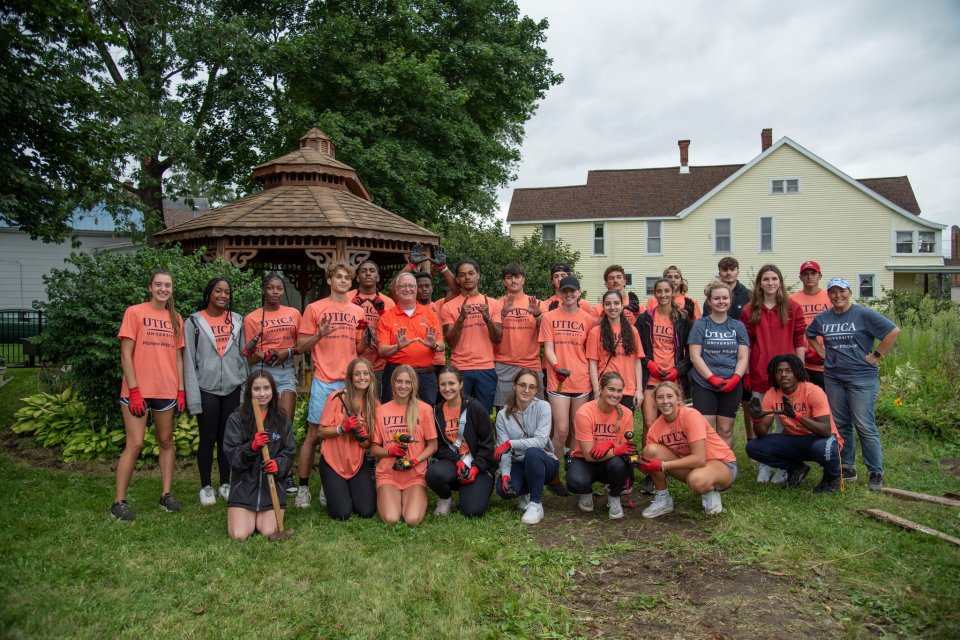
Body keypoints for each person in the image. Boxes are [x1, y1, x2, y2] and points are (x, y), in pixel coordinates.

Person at [806, 277, 899, 491]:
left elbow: (892, 331)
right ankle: (847, 466)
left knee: (864, 425)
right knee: (840, 425)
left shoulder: (863, 314)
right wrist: (822, 352)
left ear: (849, 292)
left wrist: (876, 354)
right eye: (833, 292)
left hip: (861, 377)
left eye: (842, 291)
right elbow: (810, 334)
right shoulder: (823, 318)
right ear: (828, 295)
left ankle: (875, 471)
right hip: (834, 377)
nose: (838, 296)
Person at [111, 270, 185, 521]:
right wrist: (133, 390)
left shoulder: (175, 318)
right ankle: (118, 501)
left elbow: (177, 356)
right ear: (150, 287)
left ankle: (166, 494)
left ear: (172, 289)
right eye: (159, 285)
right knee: (135, 443)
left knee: (166, 441)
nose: (163, 289)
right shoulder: (135, 312)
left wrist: (181, 389)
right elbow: (125, 354)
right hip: (138, 390)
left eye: (168, 285)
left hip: (166, 389)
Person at [295, 262, 365, 509]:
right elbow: (301, 346)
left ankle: (330, 483)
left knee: (344, 434)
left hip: (349, 384)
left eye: (348, 277)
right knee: (314, 436)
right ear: (329, 280)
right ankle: (303, 488)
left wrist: (367, 335)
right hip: (324, 380)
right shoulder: (315, 308)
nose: (344, 281)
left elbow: (360, 349)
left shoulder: (358, 312)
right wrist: (319, 335)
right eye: (339, 276)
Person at [184, 278, 248, 506]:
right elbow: (189, 362)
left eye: (227, 292)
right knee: (208, 438)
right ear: (209, 293)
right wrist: (192, 397)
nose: (222, 295)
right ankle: (205, 486)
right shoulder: (193, 322)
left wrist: (244, 389)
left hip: (232, 386)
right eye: (218, 291)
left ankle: (225, 483)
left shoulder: (238, 321)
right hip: (206, 388)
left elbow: (244, 356)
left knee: (227, 439)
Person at [740, 264, 806, 484]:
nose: (770, 283)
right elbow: (746, 344)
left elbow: (799, 340)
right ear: (759, 283)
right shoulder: (749, 310)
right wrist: (747, 372)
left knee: (785, 422)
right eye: (766, 279)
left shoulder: (793, 308)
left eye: (774, 279)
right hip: (760, 373)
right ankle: (764, 465)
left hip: (786, 375)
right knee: (762, 421)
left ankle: (783, 467)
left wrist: (800, 370)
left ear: (780, 282)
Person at [746, 355, 844, 493]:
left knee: (824, 449)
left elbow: (826, 431)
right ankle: (796, 469)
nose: (783, 375)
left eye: (788, 370)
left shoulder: (813, 391)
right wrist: (756, 419)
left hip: (822, 439)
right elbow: (762, 433)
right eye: (779, 371)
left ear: (797, 372)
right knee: (753, 447)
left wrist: (796, 416)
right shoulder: (772, 394)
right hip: (796, 440)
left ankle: (832, 479)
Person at [639, 381, 738, 517]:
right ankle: (663, 499)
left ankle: (709, 491)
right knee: (649, 451)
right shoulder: (655, 429)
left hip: (721, 463)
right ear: (655, 401)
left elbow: (699, 459)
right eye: (660, 397)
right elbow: (651, 459)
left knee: (696, 480)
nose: (665, 401)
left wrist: (663, 465)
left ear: (678, 398)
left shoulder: (691, 415)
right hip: (691, 465)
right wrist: (643, 465)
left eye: (669, 396)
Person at [243, 273, 302, 495]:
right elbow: (249, 355)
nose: (275, 292)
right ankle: (260, 468)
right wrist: (262, 354)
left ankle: (285, 473)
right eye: (271, 288)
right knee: (261, 424)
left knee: (284, 422)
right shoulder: (252, 318)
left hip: (285, 371)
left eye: (279, 288)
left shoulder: (294, 314)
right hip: (262, 371)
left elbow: (301, 344)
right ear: (264, 290)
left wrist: (286, 351)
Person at [222, 370, 296, 539]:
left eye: (266, 388)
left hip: (271, 489)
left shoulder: (282, 419)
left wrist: (278, 464)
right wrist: (251, 446)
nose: (262, 394)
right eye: (257, 389)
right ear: (249, 391)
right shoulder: (236, 419)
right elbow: (233, 458)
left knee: (268, 531)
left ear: (273, 390)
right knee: (239, 534)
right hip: (244, 487)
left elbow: (289, 451)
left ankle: (262, 517)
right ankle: (246, 516)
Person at [369, 365, 438, 526]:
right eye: (399, 381)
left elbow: (433, 446)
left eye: (408, 382)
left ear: (414, 385)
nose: (403, 386)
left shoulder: (425, 409)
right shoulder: (381, 411)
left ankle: (413, 496)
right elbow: (373, 449)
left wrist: (415, 461)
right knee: (391, 519)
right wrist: (389, 452)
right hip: (388, 474)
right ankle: (392, 496)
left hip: (415, 474)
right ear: (392, 383)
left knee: (412, 519)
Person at [566, 372, 636, 519]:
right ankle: (586, 492)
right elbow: (588, 455)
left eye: (619, 391)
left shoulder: (627, 414)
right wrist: (614, 447)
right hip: (585, 460)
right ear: (601, 389)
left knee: (621, 465)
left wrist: (632, 457)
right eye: (611, 389)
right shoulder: (585, 412)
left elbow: (627, 449)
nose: (615, 394)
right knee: (575, 482)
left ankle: (614, 496)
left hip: (611, 461)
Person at [539, 276, 595, 463]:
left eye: (573, 291)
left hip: (581, 379)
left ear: (579, 293)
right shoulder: (549, 317)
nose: (569, 294)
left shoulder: (588, 319)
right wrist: (556, 367)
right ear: (560, 294)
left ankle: (573, 463)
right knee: (561, 429)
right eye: (565, 291)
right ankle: (553, 469)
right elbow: (548, 348)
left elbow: (591, 351)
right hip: (559, 380)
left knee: (576, 426)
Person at [426, 366, 495, 517]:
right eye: (443, 384)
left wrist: (476, 467)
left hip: (479, 465)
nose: (447, 388)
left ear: (461, 384)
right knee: (434, 473)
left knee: (472, 511)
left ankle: (475, 488)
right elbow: (440, 448)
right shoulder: (436, 412)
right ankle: (446, 498)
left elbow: (488, 444)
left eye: (452, 383)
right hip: (454, 463)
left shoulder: (474, 407)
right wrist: (457, 461)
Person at [688, 280, 749, 447]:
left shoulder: (738, 326)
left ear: (730, 300)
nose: (721, 301)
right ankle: (706, 465)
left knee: (725, 429)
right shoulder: (701, 324)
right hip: (705, 383)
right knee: (705, 428)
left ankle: (725, 466)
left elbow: (743, 357)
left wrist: (736, 378)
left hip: (731, 384)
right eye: (717, 298)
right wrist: (712, 378)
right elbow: (695, 356)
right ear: (709, 301)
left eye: (725, 298)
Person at [316, 358, 378, 520]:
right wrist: (342, 428)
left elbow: (367, 443)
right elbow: (321, 432)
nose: (362, 377)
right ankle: (330, 488)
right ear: (350, 377)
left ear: (371, 376)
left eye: (365, 373)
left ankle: (344, 489)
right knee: (342, 513)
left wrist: (360, 435)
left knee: (366, 511)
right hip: (332, 460)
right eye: (357, 374)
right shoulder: (337, 397)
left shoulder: (375, 405)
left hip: (356, 462)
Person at [494, 369, 558, 525]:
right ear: (514, 386)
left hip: (544, 461)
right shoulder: (503, 415)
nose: (526, 390)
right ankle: (527, 492)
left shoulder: (543, 407)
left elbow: (540, 442)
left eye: (532, 387)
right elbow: (504, 451)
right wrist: (505, 474)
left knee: (532, 452)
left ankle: (535, 504)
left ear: (536, 390)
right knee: (503, 490)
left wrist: (511, 443)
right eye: (522, 385)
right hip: (518, 463)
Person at [440, 258, 503, 412]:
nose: (467, 277)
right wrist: (461, 318)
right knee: (459, 414)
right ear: (457, 279)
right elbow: (450, 342)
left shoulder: (493, 303)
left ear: (478, 276)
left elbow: (498, 338)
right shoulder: (448, 307)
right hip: (460, 368)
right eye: (462, 275)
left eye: (471, 273)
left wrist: (487, 318)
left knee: (484, 414)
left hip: (486, 367)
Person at [377, 272, 444, 404]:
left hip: (425, 376)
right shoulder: (387, 317)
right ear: (396, 290)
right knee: (394, 415)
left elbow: (441, 345)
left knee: (427, 415)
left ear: (416, 289)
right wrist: (397, 347)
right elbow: (381, 351)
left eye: (411, 286)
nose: (407, 289)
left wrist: (433, 345)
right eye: (403, 286)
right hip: (396, 375)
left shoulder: (429, 314)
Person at [637, 278, 692, 431]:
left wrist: (677, 370)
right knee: (650, 424)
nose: (663, 295)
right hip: (651, 377)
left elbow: (691, 353)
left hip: (673, 378)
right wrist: (648, 363)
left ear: (673, 292)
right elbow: (636, 347)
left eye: (666, 291)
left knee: (674, 424)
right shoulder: (644, 318)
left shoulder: (682, 319)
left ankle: (671, 454)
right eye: (659, 291)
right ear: (654, 293)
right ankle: (649, 455)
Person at [494, 263, 544, 408]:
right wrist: (503, 313)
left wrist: (537, 314)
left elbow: (546, 331)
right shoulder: (497, 304)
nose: (513, 281)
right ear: (504, 281)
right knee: (503, 410)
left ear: (523, 280)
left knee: (534, 410)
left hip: (531, 365)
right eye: (509, 278)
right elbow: (493, 332)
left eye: (517, 277)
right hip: (504, 364)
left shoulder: (537, 303)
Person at [587, 290, 644, 410]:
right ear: (603, 306)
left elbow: (637, 361)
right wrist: (597, 390)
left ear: (622, 305)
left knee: (624, 426)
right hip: (605, 389)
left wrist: (639, 390)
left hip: (627, 389)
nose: (612, 307)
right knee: (605, 426)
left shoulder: (632, 331)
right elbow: (592, 363)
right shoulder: (595, 332)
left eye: (616, 303)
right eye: (608, 304)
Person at [348, 260, 395, 394]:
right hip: (352, 362)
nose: (368, 274)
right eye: (363, 271)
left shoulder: (388, 302)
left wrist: (382, 313)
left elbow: (393, 331)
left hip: (378, 365)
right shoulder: (347, 297)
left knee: (376, 406)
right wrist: (352, 308)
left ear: (378, 277)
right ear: (357, 277)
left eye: (372, 271)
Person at [790, 261, 831, 389]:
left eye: (813, 273)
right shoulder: (791, 299)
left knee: (828, 403)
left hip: (827, 360)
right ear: (800, 277)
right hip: (802, 360)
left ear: (820, 276)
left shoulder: (830, 297)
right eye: (805, 274)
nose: (809, 277)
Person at [704, 257, 750, 321]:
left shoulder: (749, 295)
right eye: (725, 270)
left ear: (738, 272)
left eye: (732, 269)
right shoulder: (712, 297)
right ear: (719, 273)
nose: (728, 273)